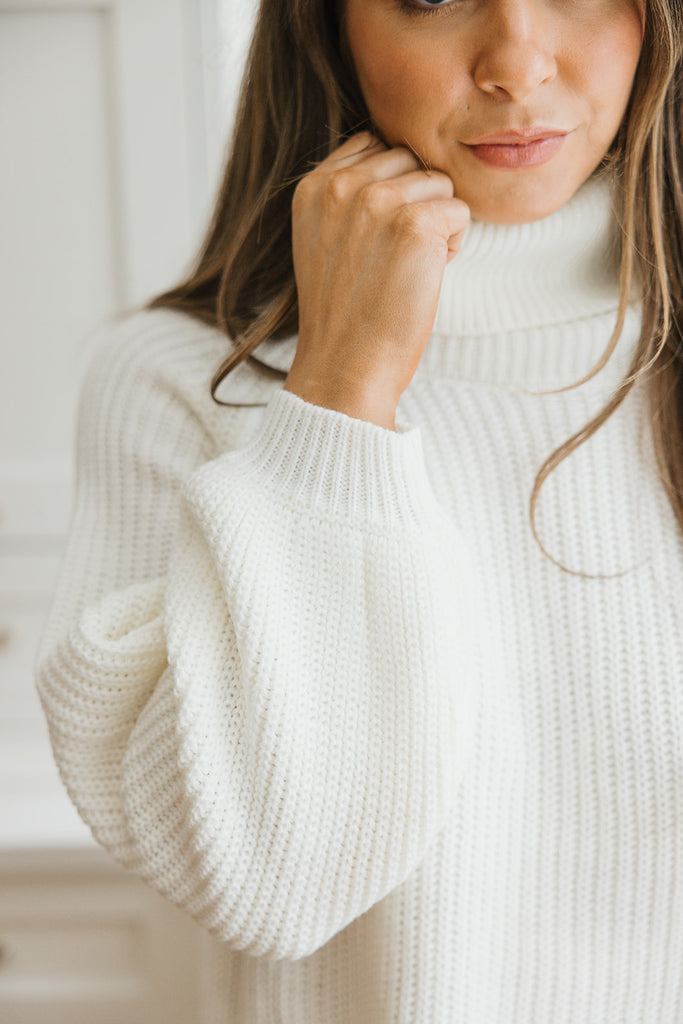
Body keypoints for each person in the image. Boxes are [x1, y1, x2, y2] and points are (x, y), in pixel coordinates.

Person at [36, 0, 683, 1019]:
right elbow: (265, 882)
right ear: (325, 27)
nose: (515, 63)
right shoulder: (175, 382)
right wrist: (345, 386)